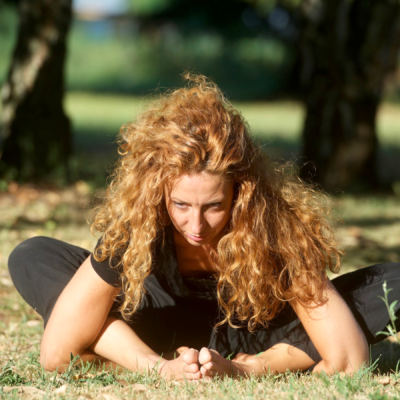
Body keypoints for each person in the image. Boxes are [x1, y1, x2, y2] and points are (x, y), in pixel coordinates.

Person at [8, 74, 400, 381]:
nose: (195, 225)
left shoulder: (270, 221)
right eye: (180, 204)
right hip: (150, 323)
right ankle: (145, 356)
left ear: (240, 191)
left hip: (255, 330)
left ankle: (124, 349)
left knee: (394, 281)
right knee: (34, 255)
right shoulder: (138, 223)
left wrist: (246, 369)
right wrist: (157, 368)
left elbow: (349, 361)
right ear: (157, 188)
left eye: (214, 206)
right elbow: (56, 356)